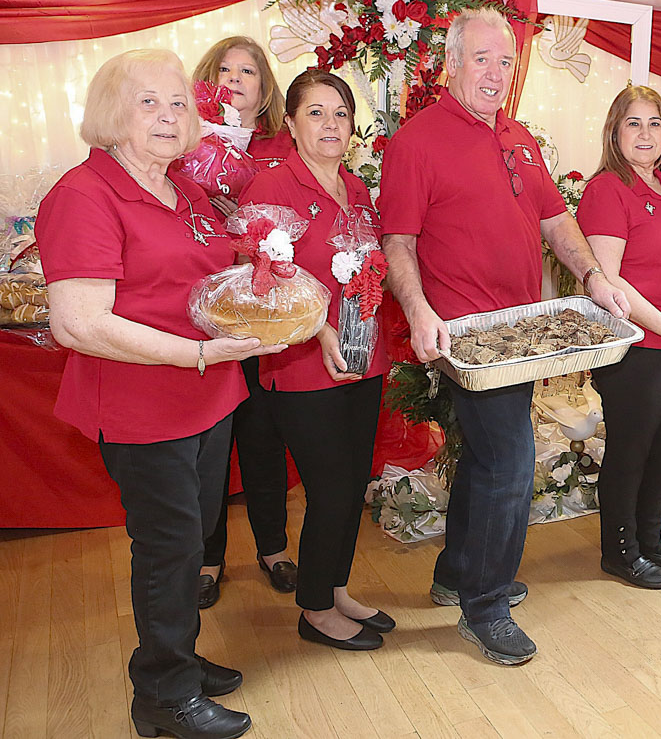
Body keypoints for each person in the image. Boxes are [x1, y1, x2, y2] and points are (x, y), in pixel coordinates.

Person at [36, 49, 286, 739]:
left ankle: (177, 652)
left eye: (179, 103)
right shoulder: (83, 195)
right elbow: (79, 323)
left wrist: (265, 265)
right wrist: (202, 353)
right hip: (142, 408)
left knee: (191, 538)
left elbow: (212, 277)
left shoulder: (188, 191)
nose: (169, 116)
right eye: (149, 102)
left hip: (205, 400)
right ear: (113, 116)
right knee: (168, 548)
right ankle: (164, 696)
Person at [380, 7, 629, 665]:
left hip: (520, 334)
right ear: (451, 63)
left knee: (491, 459)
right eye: (482, 59)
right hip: (466, 335)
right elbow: (397, 242)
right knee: (512, 463)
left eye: (505, 62)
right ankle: (484, 606)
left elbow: (555, 218)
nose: (494, 74)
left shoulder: (518, 135)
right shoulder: (417, 141)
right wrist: (419, 311)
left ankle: (457, 572)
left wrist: (595, 277)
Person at [238, 70, 393, 649]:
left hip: (363, 358)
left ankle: (334, 588)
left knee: (353, 484)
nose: (331, 125)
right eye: (316, 113)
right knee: (328, 488)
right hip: (302, 366)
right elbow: (259, 283)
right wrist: (321, 326)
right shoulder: (271, 188)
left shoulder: (357, 190)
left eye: (341, 114)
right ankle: (313, 609)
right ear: (292, 125)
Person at [576, 86, 661, 589]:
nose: (645, 134)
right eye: (633, 123)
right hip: (637, 344)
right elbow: (610, 278)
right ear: (615, 132)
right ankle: (621, 551)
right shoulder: (607, 189)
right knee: (632, 450)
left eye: (655, 123)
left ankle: (650, 540)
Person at [190, 36, 297, 608]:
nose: (235, 79)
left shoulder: (284, 144)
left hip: (265, 317)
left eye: (248, 70)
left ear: (264, 85)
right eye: (224, 70)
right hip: (209, 318)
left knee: (262, 435)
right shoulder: (189, 143)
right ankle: (208, 557)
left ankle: (274, 547)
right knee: (211, 444)